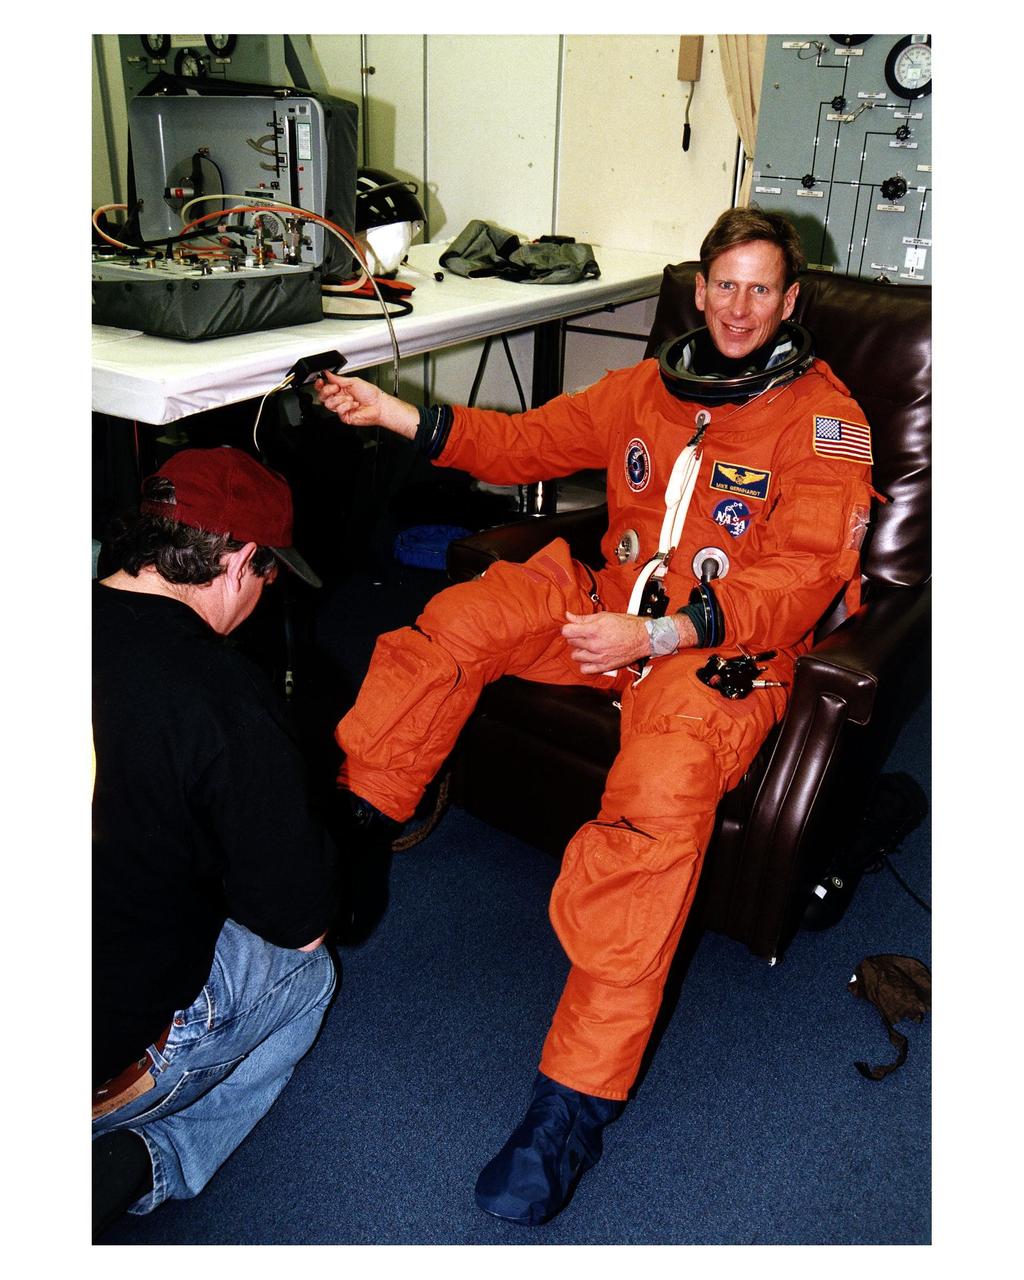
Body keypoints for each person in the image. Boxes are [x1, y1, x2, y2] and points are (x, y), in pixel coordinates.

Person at [316, 207, 875, 1225]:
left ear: (791, 301)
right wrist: (391, 413)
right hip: (607, 606)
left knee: (652, 810)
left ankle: (569, 1101)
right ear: (697, 290)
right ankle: (360, 828)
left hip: (714, 658)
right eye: (723, 285)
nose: (739, 307)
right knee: (456, 621)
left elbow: (804, 573)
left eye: (762, 289)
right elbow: (525, 442)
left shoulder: (825, 422)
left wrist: (660, 637)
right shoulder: (646, 386)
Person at [92, 446, 340, 1237]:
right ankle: (145, 1157)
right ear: (238, 564)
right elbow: (302, 921)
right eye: (268, 578)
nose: (262, 597)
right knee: (307, 976)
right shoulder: (222, 696)